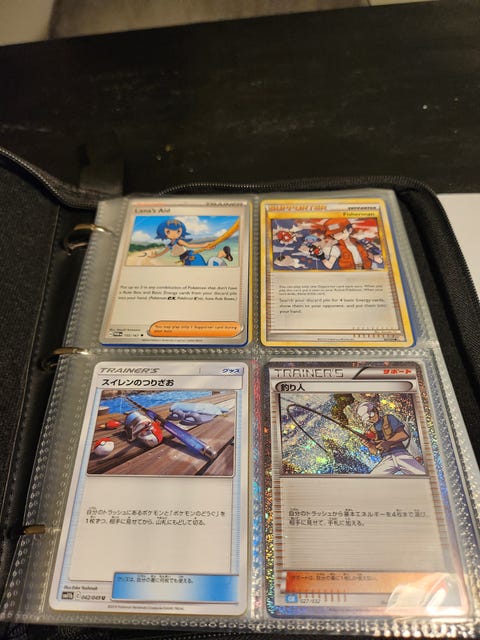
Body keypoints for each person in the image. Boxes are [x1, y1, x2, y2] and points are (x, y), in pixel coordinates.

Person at [356, 400, 425, 475]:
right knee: (372, 479)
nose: (371, 419)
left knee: (422, 474)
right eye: (368, 418)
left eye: (371, 415)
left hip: (401, 454)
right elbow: (374, 452)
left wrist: (388, 443)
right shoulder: (371, 430)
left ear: (376, 410)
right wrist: (369, 445)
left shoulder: (389, 418)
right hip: (387, 459)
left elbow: (403, 434)